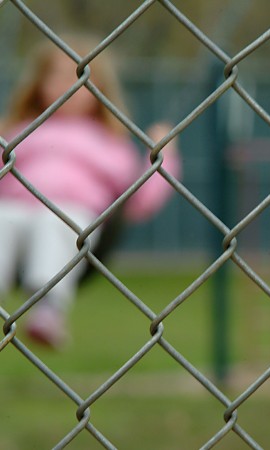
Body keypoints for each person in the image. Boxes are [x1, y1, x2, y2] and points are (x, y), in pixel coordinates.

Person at [0, 35, 182, 349]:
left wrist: (161, 157)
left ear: (99, 89)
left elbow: (139, 201)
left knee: (56, 222)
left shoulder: (109, 143)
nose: (66, 86)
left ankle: (49, 310)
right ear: (38, 83)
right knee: (3, 220)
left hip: (74, 220)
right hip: (15, 214)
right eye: (55, 74)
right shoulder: (17, 132)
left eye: (79, 76)